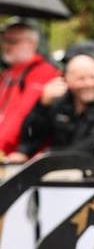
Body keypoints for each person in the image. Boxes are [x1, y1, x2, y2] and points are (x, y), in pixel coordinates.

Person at [6, 42, 94, 162]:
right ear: (66, 80)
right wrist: (42, 105)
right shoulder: (60, 103)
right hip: (61, 173)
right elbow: (31, 136)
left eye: (93, 77)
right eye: (81, 79)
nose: (88, 84)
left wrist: (51, 155)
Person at [0, 17, 59, 158]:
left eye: (13, 42)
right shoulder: (8, 73)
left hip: (20, 157)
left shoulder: (43, 71)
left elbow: (23, 113)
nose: (6, 46)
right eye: (5, 40)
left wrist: (2, 145)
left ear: (31, 43)